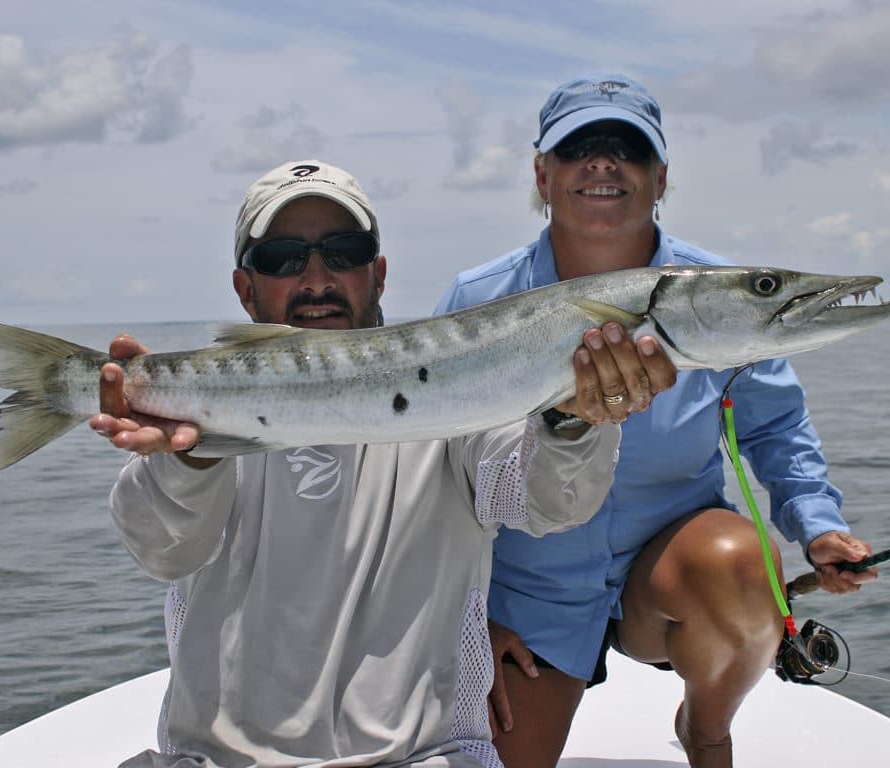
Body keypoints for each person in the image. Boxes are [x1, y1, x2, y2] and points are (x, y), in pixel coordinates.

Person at [89, 159, 678, 768]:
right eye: (283, 258)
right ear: (245, 289)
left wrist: (572, 417)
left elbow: (549, 502)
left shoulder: (460, 384)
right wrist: (188, 462)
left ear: (380, 273)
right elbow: (164, 549)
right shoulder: (196, 415)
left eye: (344, 251)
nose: (317, 277)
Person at [434, 75, 879, 768]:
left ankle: (706, 728)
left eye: (627, 149)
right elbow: (431, 476)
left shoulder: (728, 294)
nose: (603, 162)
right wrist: (465, 621)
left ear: (661, 176)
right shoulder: (479, 296)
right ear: (541, 173)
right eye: (580, 146)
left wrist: (818, 526)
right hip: (529, 595)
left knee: (739, 564)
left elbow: (776, 427)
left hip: (669, 572)